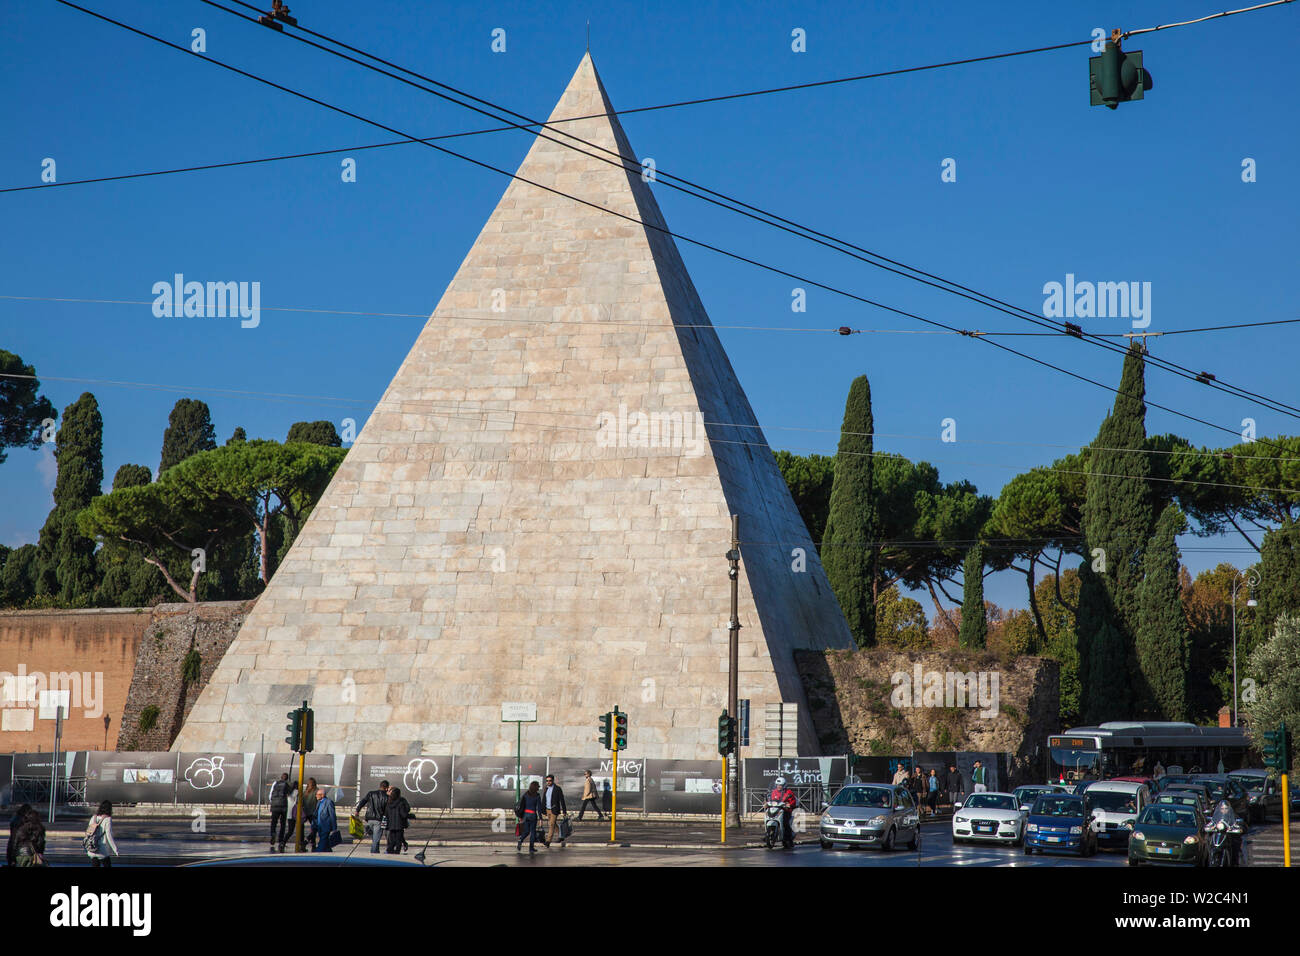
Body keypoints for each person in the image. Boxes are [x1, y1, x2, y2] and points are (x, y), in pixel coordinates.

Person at [355, 779, 389, 854]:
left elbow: (363, 801)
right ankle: (373, 852)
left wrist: (357, 810)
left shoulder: (371, 793)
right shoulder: (387, 797)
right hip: (378, 819)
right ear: (386, 788)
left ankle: (376, 850)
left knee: (374, 837)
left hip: (369, 818)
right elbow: (387, 810)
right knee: (376, 838)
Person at [85, 800, 119, 868]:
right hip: (102, 849)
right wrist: (115, 849)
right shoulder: (107, 819)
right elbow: (109, 835)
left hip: (92, 848)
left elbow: (88, 832)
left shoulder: (93, 817)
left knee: (95, 865)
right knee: (107, 864)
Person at [769, 776, 797, 847]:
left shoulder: (789, 792)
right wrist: (767, 803)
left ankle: (788, 839)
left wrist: (789, 804)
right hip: (776, 809)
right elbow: (771, 799)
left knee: (785, 823)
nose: (779, 787)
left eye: (780, 785)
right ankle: (768, 834)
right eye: (777, 785)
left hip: (785, 810)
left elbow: (793, 801)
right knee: (769, 817)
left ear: (784, 785)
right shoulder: (774, 792)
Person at [516, 781, 543, 853]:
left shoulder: (526, 794)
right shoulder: (537, 796)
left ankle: (520, 840)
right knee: (533, 832)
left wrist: (521, 816)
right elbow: (539, 808)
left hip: (525, 814)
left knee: (527, 831)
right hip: (532, 815)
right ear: (536, 788)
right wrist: (540, 818)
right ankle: (531, 848)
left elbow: (522, 805)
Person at [542, 774, 568, 848]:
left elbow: (562, 800)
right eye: (547, 781)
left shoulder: (557, 789)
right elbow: (544, 799)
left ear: (553, 781)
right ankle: (561, 835)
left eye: (550, 781)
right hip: (547, 809)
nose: (548, 782)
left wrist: (564, 811)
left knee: (551, 824)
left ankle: (548, 841)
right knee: (553, 824)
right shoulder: (546, 788)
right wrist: (542, 809)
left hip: (554, 809)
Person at [268, 773, 291, 852]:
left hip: (274, 806)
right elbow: (289, 794)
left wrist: (272, 802)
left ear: (281, 777)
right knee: (283, 824)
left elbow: (270, 795)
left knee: (274, 822)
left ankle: (273, 833)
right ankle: (281, 840)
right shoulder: (287, 784)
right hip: (283, 807)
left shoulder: (275, 783)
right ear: (287, 778)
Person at [384, 786, 410, 854]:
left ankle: (390, 851)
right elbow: (403, 814)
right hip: (399, 825)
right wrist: (410, 815)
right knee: (399, 840)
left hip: (391, 825)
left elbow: (386, 814)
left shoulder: (388, 803)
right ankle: (397, 852)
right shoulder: (401, 803)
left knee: (392, 840)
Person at [314, 788, 337, 852]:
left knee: (323, 839)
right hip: (319, 825)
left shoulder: (329, 802)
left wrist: (334, 827)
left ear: (322, 795)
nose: (316, 796)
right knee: (324, 839)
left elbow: (332, 815)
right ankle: (328, 849)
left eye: (318, 794)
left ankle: (319, 850)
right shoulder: (319, 802)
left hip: (326, 825)